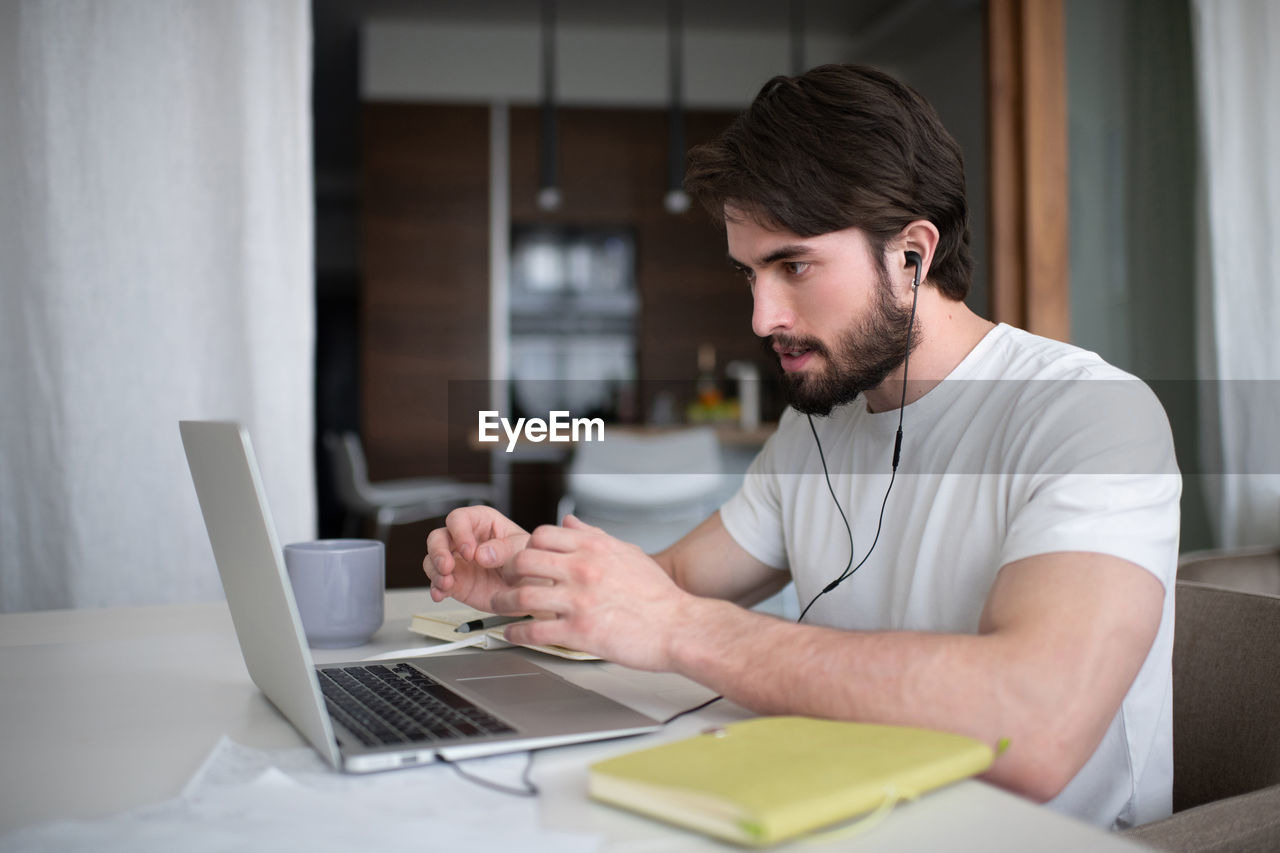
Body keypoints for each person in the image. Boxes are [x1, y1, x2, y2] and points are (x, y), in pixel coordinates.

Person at [424, 64, 1180, 830]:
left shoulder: (1088, 414)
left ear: (912, 255)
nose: (760, 317)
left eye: (793, 265)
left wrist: (680, 628)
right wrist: (534, 580)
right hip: (850, 816)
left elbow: (1037, 725)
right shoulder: (815, 428)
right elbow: (679, 577)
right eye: (750, 274)